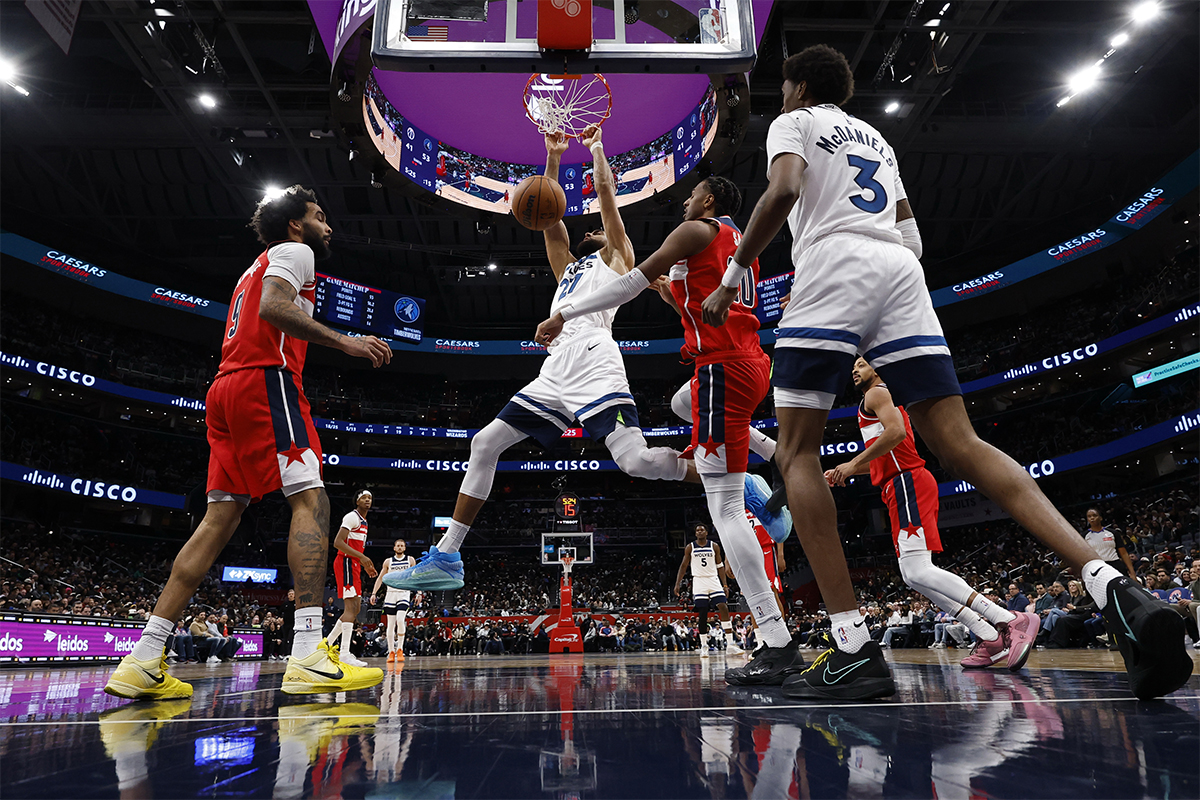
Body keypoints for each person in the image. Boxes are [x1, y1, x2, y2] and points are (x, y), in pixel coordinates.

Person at [699, 44, 1192, 700]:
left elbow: (785, 190)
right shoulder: (876, 139)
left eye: (784, 86)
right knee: (961, 442)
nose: (780, 96)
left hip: (835, 263)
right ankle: (1110, 582)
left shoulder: (798, 122)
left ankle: (851, 647)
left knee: (794, 453)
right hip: (901, 273)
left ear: (799, 86)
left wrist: (734, 275)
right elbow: (913, 238)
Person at [104, 185, 388, 701]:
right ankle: (305, 652)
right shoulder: (295, 251)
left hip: (225, 390)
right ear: (296, 225)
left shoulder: (251, 266)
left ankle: (144, 657)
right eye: (320, 216)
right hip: (266, 381)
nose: (328, 227)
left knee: (218, 520)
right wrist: (344, 340)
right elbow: (275, 309)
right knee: (312, 499)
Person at [386, 126, 698, 596]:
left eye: (595, 229)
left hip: (595, 357)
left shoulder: (617, 257)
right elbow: (549, 216)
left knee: (634, 461)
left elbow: (607, 194)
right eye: (587, 230)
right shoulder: (567, 269)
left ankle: (723, 473)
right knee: (484, 444)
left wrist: (594, 148)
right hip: (554, 369)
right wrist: (552, 158)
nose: (590, 229)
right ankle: (449, 555)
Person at [536, 175, 802, 687]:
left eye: (691, 193)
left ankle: (775, 639)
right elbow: (697, 303)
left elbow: (631, 280)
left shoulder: (695, 231)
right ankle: (763, 451)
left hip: (724, 368)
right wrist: (669, 291)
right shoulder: (730, 242)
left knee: (725, 511)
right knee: (681, 402)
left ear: (707, 201)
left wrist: (562, 314)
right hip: (738, 366)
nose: (683, 200)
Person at [826, 356, 1037, 670]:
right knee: (913, 576)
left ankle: (1008, 619)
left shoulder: (877, 393)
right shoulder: (876, 401)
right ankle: (987, 635)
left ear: (877, 367)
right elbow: (885, 454)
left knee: (919, 570)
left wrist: (851, 464)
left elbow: (895, 432)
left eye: (862, 362)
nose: (855, 369)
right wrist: (845, 473)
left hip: (907, 482)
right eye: (853, 365)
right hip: (898, 484)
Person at [673, 523, 744, 657]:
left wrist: (725, 585)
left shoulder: (714, 546)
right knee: (703, 611)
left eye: (702, 530)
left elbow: (720, 566)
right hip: (699, 580)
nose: (700, 532)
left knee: (723, 606)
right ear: (695, 534)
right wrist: (677, 583)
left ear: (706, 532)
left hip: (713, 578)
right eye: (697, 530)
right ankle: (704, 645)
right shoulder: (690, 547)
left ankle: (730, 644)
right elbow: (683, 566)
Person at [327, 490, 378, 667]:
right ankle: (344, 653)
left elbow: (355, 547)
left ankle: (326, 644)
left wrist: (364, 563)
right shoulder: (352, 517)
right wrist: (362, 558)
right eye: (364, 497)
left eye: (370, 498)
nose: (367, 500)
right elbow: (338, 542)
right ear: (356, 500)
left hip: (353, 563)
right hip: (346, 562)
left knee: (355, 609)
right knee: (350, 608)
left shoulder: (364, 521)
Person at [372, 538, 416, 663]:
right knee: (390, 625)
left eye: (402, 545)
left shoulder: (410, 560)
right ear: (394, 548)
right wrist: (374, 593)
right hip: (390, 594)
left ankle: (400, 649)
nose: (400, 547)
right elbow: (380, 578)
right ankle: (391, 651)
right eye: (398, 545)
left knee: (400, 620)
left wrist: (419, 592)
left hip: (404, 593)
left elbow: (417, 577)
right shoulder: (388, 562)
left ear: (405, 548)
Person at [1083, 509, 1137, 581]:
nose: (1092, 518)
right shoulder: (1084, 536)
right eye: (1089, 516)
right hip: (1097, 567)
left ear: (1100, 518)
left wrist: (1132, 573)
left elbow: (1123, 553)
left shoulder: (1113, 533)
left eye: (1094, 515)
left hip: (1115, 564)